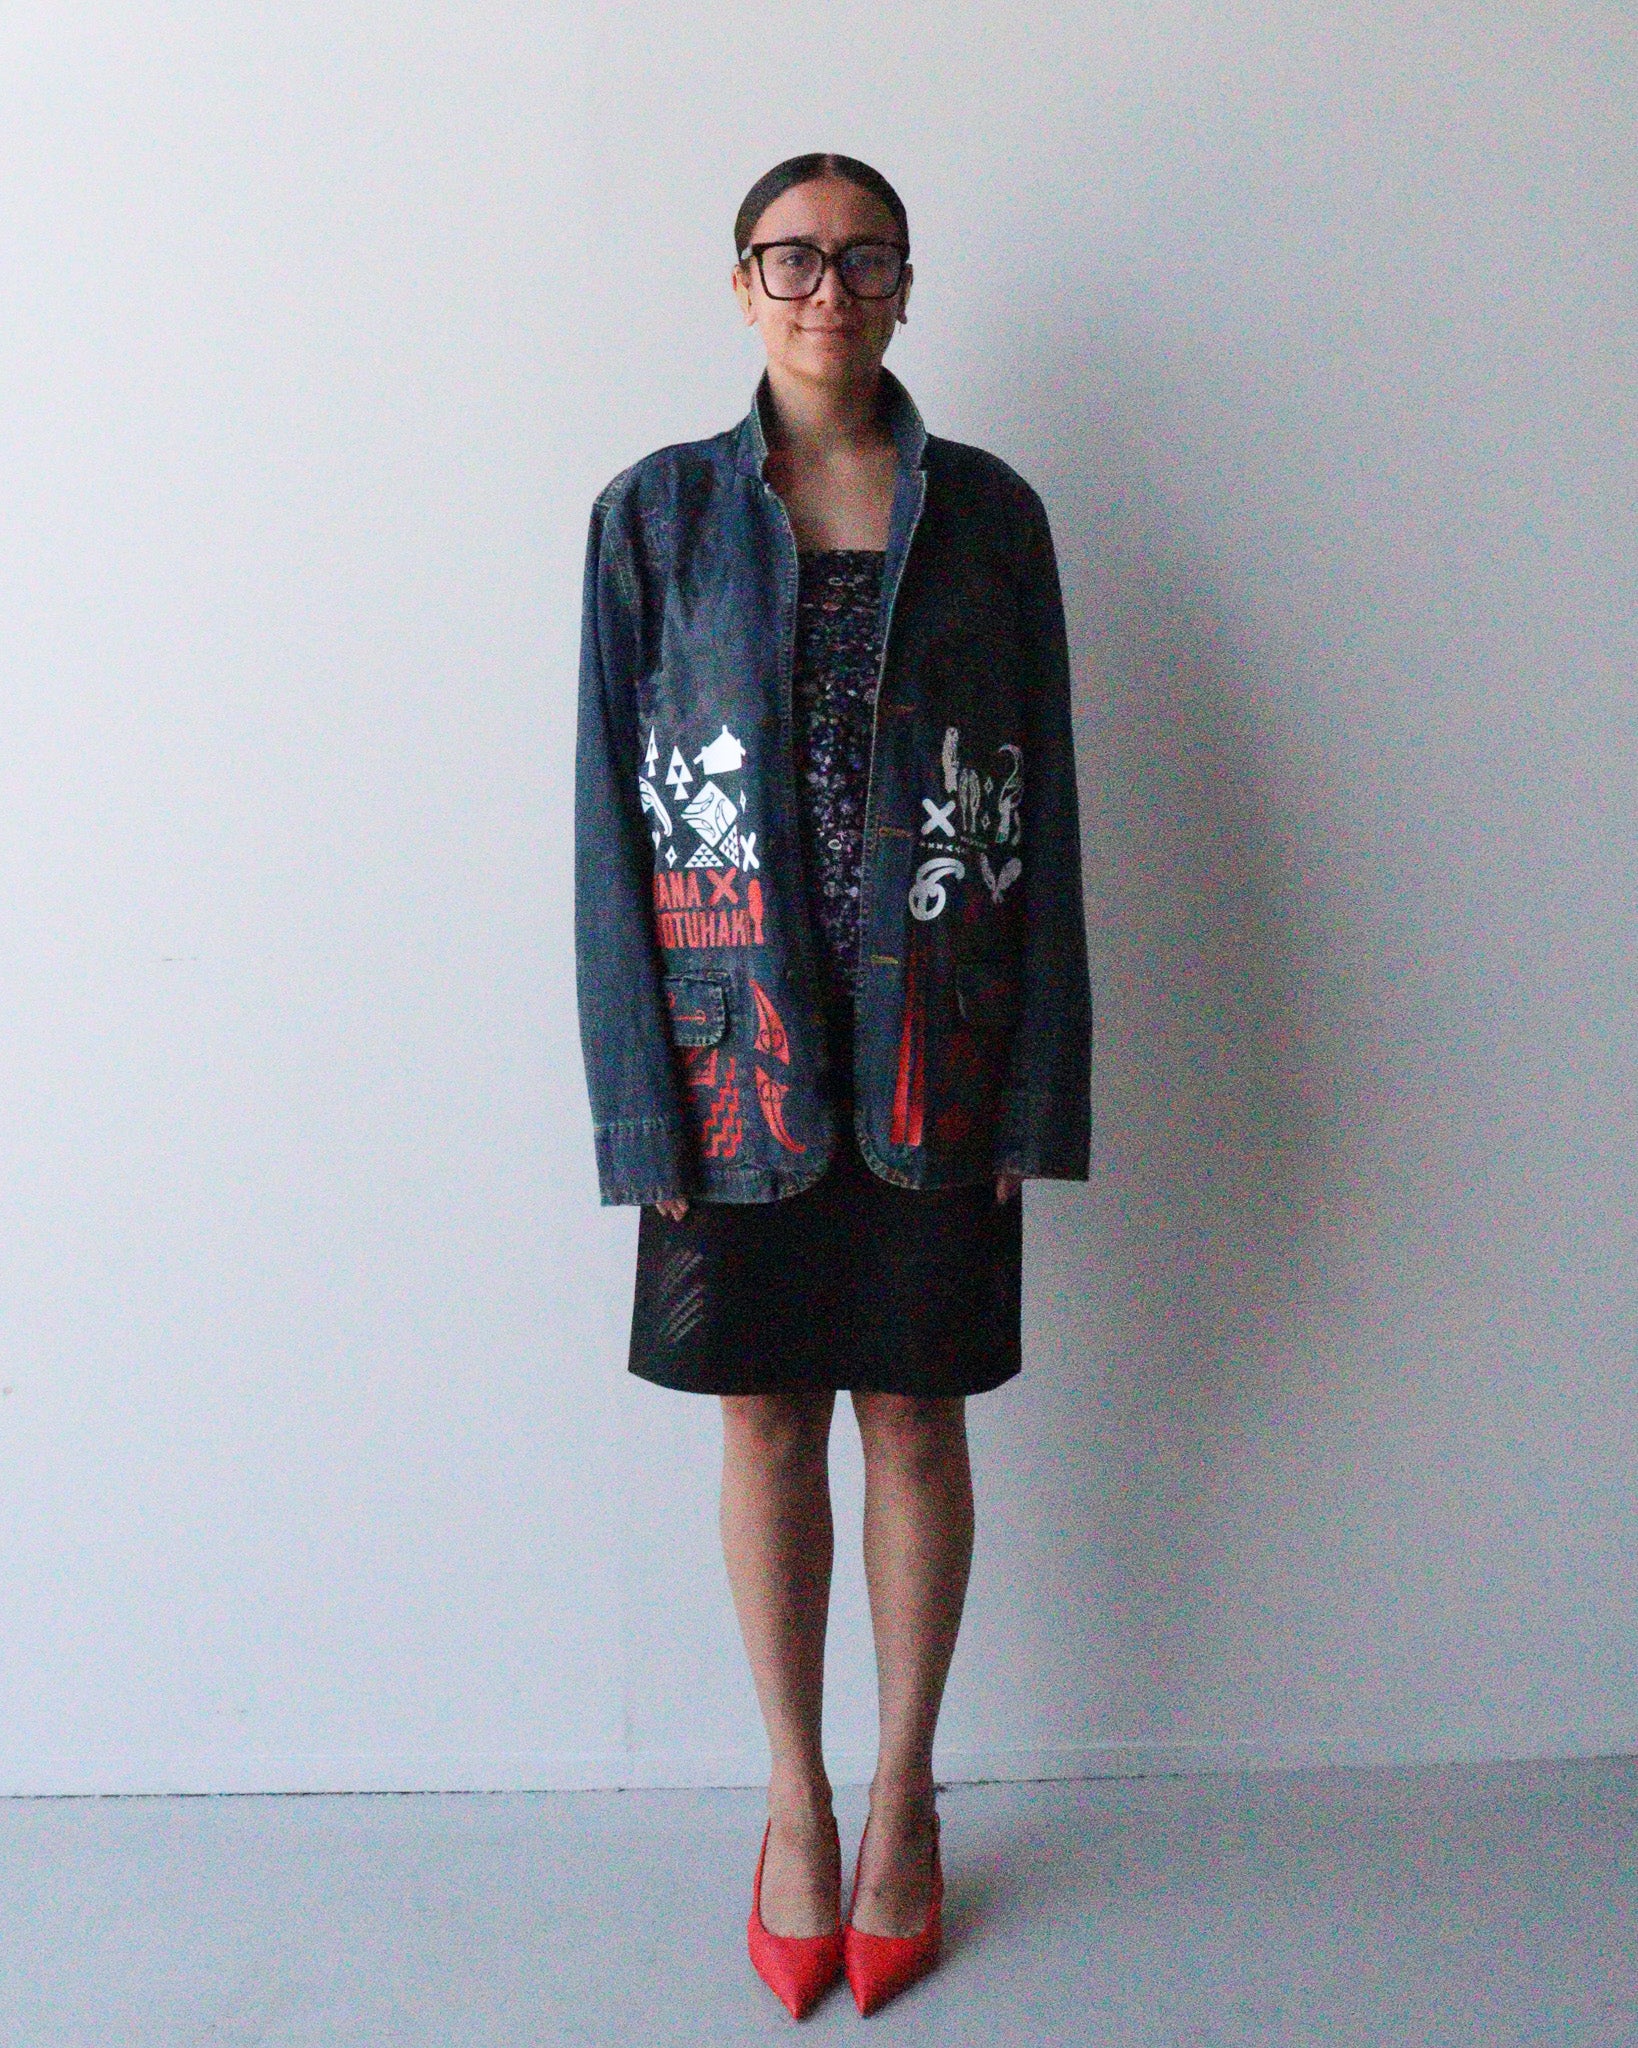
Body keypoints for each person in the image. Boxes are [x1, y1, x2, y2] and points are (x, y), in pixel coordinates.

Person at [574, 152, 1090, 2018]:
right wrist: (639, 1101)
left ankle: (903, 1798)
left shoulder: (994, 516)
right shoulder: (654, 517)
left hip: (939, 1043)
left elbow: (1046, 810)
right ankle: (795, 1803)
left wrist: (1035, 1091)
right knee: (765, 1422)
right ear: (741, 284)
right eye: (790, 257)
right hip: (735, 1057)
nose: (826, 288)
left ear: (902, 284)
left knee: (920, 1420)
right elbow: (605, 824)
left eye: (862, 256)